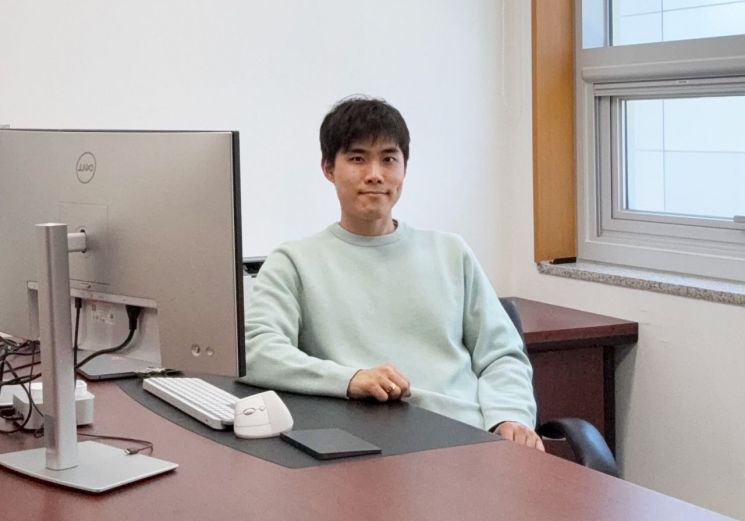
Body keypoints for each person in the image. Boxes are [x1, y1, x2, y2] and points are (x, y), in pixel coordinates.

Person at [242, 96, 543, 451]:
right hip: (365, 444)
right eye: (357, 158)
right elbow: (256, 352)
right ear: (328, 168)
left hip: (468, 438)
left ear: (404, 168)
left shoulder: (451, 252)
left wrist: (509, 417)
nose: (375, 174)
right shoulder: (294, 262)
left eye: (388, 159)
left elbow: (502, 355)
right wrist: (350, 379)